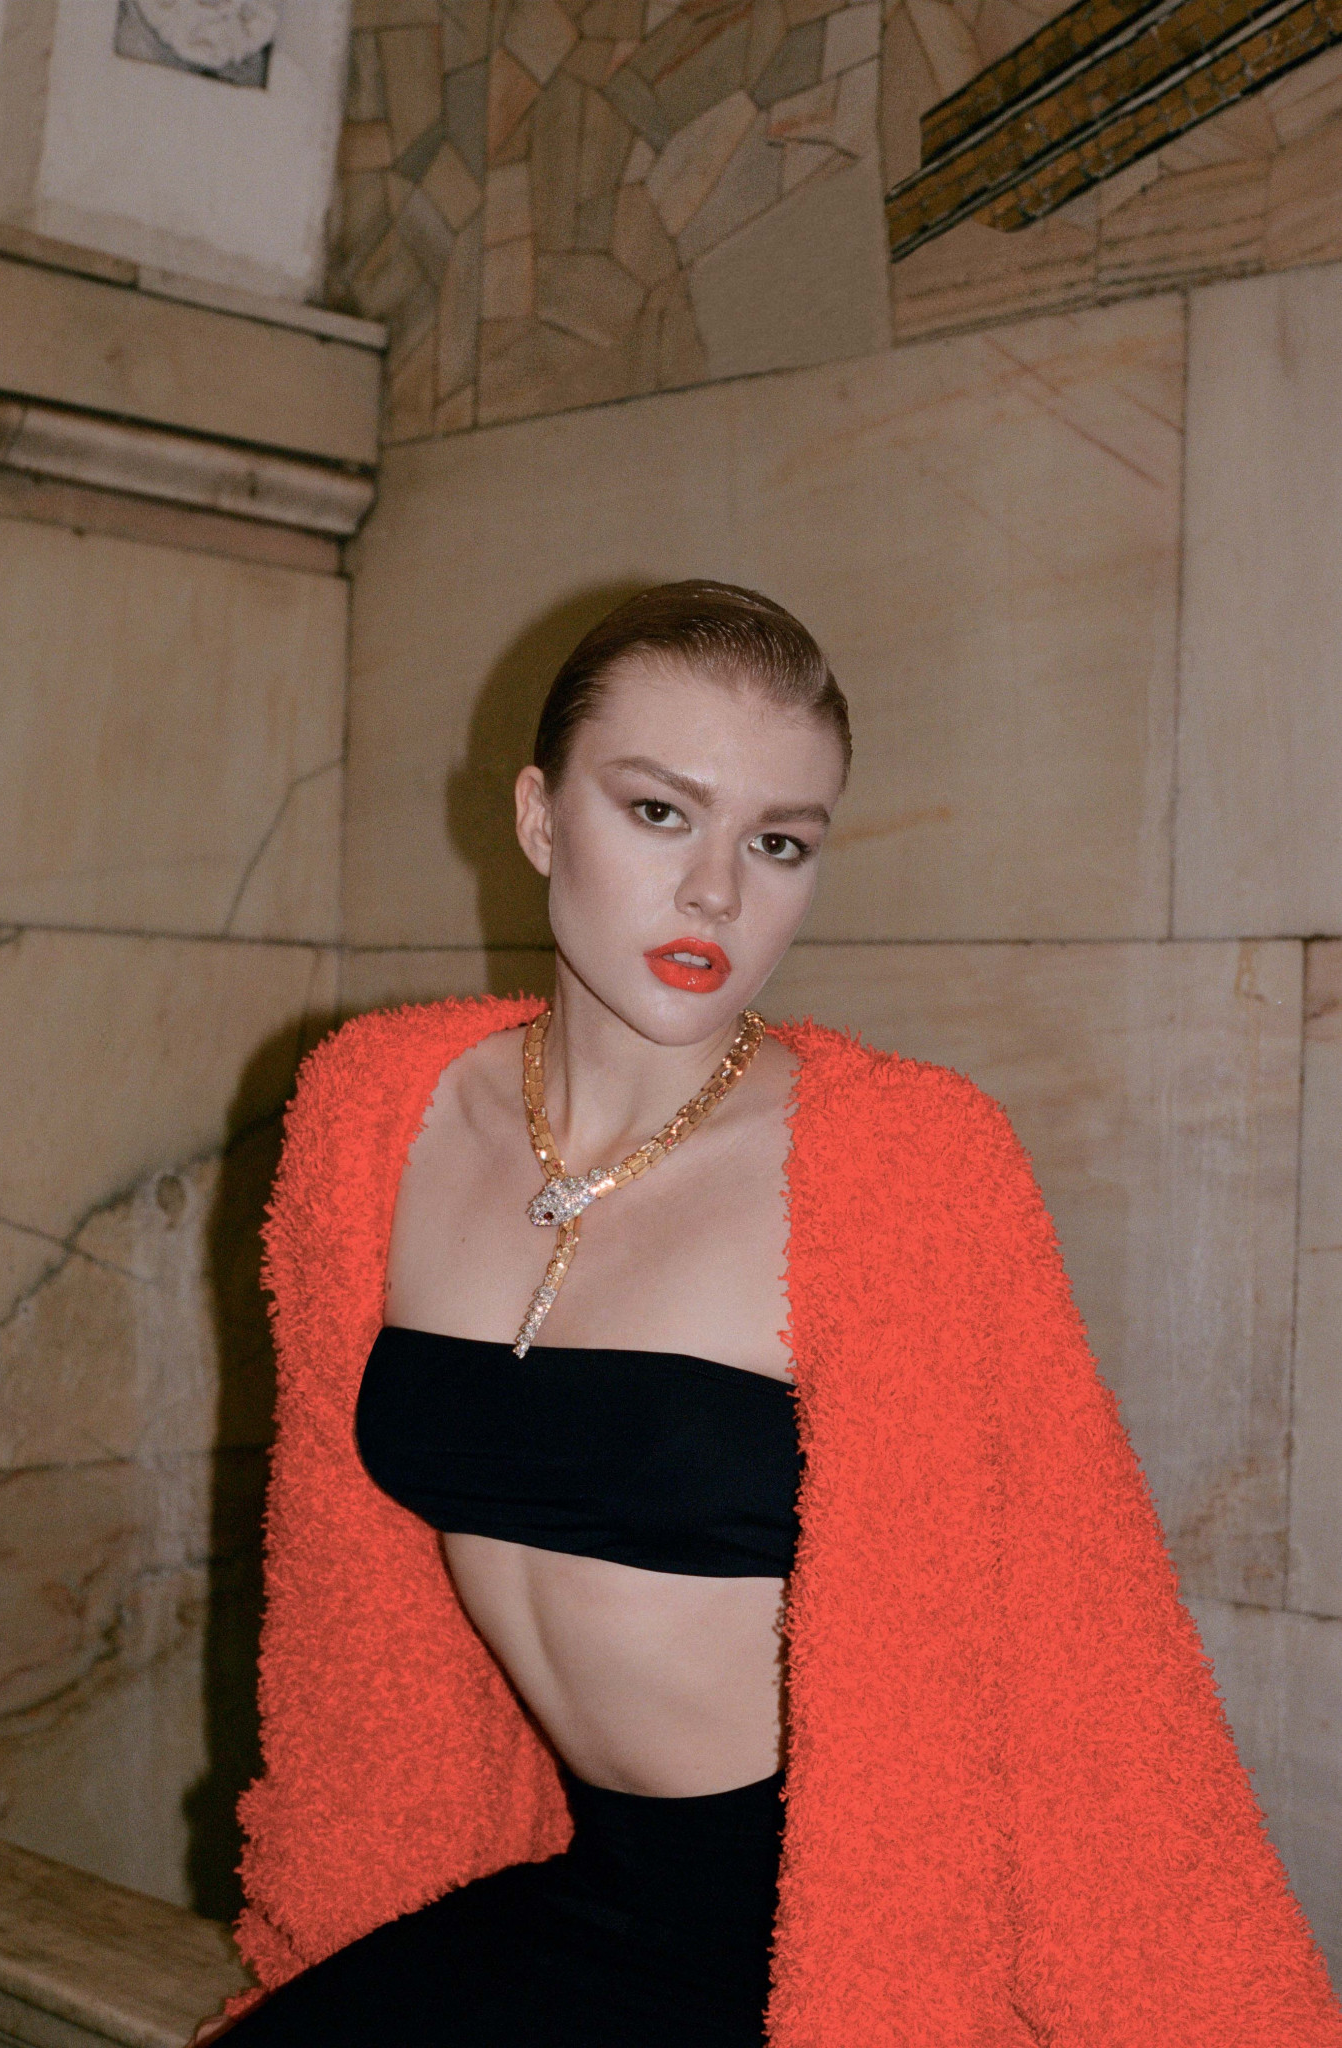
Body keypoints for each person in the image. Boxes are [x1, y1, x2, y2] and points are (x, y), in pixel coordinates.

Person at [195, 583, 1340, 2046]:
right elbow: (344, 1619)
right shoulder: (377, 1113)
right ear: (539, 818)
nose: (717, 895)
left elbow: (1085, 1657)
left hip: (827, 1940)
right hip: (565, 1890)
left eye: (778, 842)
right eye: (659, 813)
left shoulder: (901, 1160)